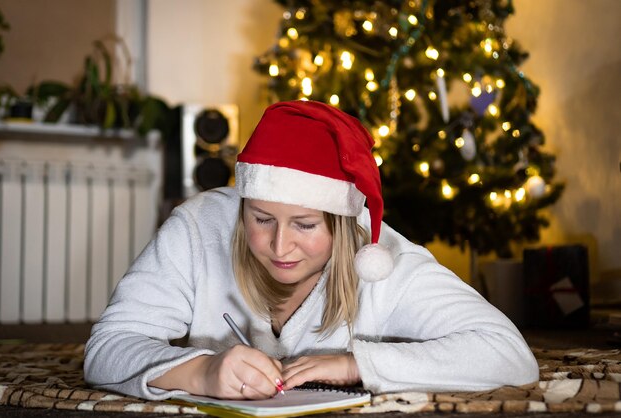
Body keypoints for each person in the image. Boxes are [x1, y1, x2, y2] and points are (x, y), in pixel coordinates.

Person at [84, 100, 538, 401]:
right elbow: (107, 348)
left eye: (304, 225)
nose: (280, 246)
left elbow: (508, 353)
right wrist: (200, 373)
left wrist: (357, 365)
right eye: (261, 219)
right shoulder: (197, 227)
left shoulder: (384, 258)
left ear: (344, 227)